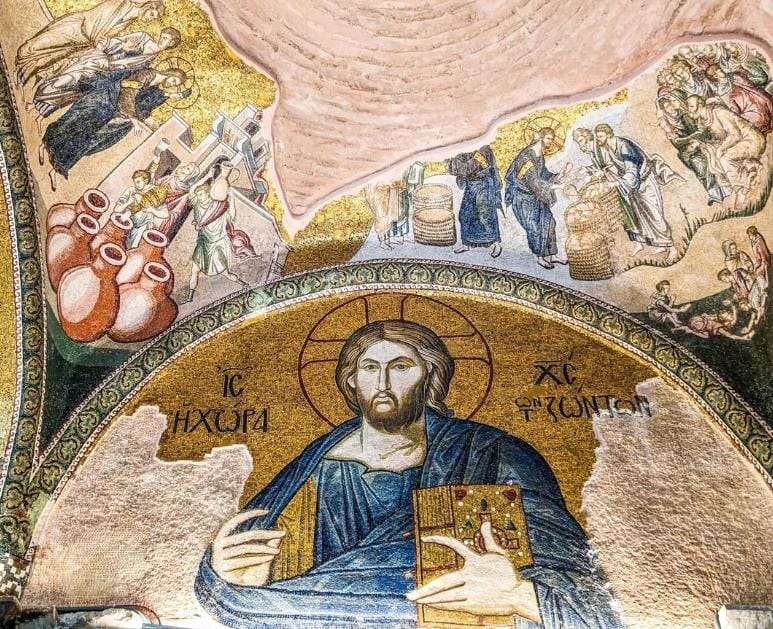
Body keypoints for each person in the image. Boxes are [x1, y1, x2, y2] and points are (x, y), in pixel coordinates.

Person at [195, 320, 624, 629]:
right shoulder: (312, 469)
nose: (383, 381)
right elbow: (242, 585)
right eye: (369, 368)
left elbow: (595, 605)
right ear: (351, 381)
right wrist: (228, 577)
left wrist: (520, 596)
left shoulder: (493, 455)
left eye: (401, 366)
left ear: (430, 375)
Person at [41, 66, 188, 190]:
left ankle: (57, 169)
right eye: (174, 80)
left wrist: (145, 119)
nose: (172, 84)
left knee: (86, 139)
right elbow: (127, 94)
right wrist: (134, 120)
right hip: (105, 100)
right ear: (170, 74)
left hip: (114, 113)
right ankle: (44, 145)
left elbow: (142, 106)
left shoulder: (158, 90)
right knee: (73, 124)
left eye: (175, 85)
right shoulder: (148, 74)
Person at [29, 27, 181, 122]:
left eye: (166, 39)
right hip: (103, 63)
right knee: (72, 78)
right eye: (162, 36)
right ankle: (37, 100)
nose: (161, 40)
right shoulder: (143, 37)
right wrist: (124, 48)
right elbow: (115, 42)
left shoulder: (151, 59)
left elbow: (131, 73)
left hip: (111, 76)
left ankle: (42, 112)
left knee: (76, 94)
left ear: (171, 44)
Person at [15, 0, 164, 87]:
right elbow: (98, 23)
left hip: (83, 41)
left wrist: (109, 44)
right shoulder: (124, 3)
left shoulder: (130, 21)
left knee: (47, 59)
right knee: (32, 47)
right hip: (76, 27)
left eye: (154, 18)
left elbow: (106, 36)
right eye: (152, 14)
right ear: (147, 5)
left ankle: (19, 75)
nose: (150, 19)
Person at [593, 124, 679, 254]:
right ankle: (661, 244)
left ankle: (672, 249)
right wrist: (604, 172)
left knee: (655, 215)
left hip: (645, 181)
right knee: (644, 216)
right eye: (597, 137)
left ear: (608, 135)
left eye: (600, 136)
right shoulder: (610, 148)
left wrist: (616, 183)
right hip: (636, 186)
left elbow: (631, 171)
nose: (598, 139)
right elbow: (618, 167)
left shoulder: (623, 146)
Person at [182, 161, 254, 304]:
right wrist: (208, 176)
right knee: (194, 270)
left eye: (201, 194)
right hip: (203, 243)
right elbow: (192, 190)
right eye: (198, 195)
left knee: (225, 272)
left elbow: (232, 216)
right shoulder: (198, 206)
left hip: (216, 245)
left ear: (208, 194)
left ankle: (244, 284)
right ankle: (190, 297)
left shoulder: (218, 208)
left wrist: (232, 198)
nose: (198, 196)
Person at [505, 127, 571, 269]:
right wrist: (556, 187)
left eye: (552, 139)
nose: (551, 142)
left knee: (549, 222)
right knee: (534, 228)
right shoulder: (526, 157)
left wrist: (559, 175)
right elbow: (533, 181)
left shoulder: (539, 155)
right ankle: (540, 257)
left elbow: (543, 175)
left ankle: (552, 255)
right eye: (548, 138)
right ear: (540, 138)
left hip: (536, 196)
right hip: (524, 198)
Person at [656, 92, 729, 204]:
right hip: (688, 152)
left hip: (703, 143)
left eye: (670, 104)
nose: (669, 108)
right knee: (697, 165)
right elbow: (677, 144)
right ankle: (715, 193)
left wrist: (688, 140)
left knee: (700, 163)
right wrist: (683, 141)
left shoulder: (686, 115)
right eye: (665, 108)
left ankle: (719, 192)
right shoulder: (668, 126)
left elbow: (701, 132)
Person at [686, 95, 766, 195]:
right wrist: (700, 144)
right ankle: (751, 167)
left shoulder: (719, 112)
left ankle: (740, 191)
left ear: (700, 105)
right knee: (714, 154)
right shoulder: (705, 120)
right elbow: (719, 140)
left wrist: (720, 149)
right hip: (739, 143)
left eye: (691, 106)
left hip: (752, 140)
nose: (689, 110)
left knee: (724, 158)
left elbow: (735, 135)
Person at [446, 146, 503, 258]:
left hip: (484, 186)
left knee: (485, 216)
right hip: (471, 185)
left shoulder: (482, 148)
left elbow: (466, 169)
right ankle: (466, 243)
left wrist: (457, 164)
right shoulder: (465, 149)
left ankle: (496, 244)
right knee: (465, 214)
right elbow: (454, 168)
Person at [705, 64, 773, 135]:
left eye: (720, 68)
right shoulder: (722, 91)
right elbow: (733, 107)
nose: (721, 70)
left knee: (767, 101)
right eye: (718, 70)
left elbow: (751, 85)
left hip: (756, 96)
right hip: (748, 109)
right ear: (715, 76)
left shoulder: (734, 76)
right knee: (759, 119)